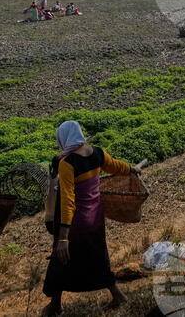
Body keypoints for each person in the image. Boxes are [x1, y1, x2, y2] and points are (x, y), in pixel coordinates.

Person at [41, 120, 139, 316]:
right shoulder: (97, 153)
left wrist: (63, 236)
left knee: (61, 259)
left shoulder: (67, 164)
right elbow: (115, 166)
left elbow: (68, 199)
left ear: (65, 138)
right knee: (98, 256)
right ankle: (117, 295)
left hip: (75, 222)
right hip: (95, 217)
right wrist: (131, 169)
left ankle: (55, 305)